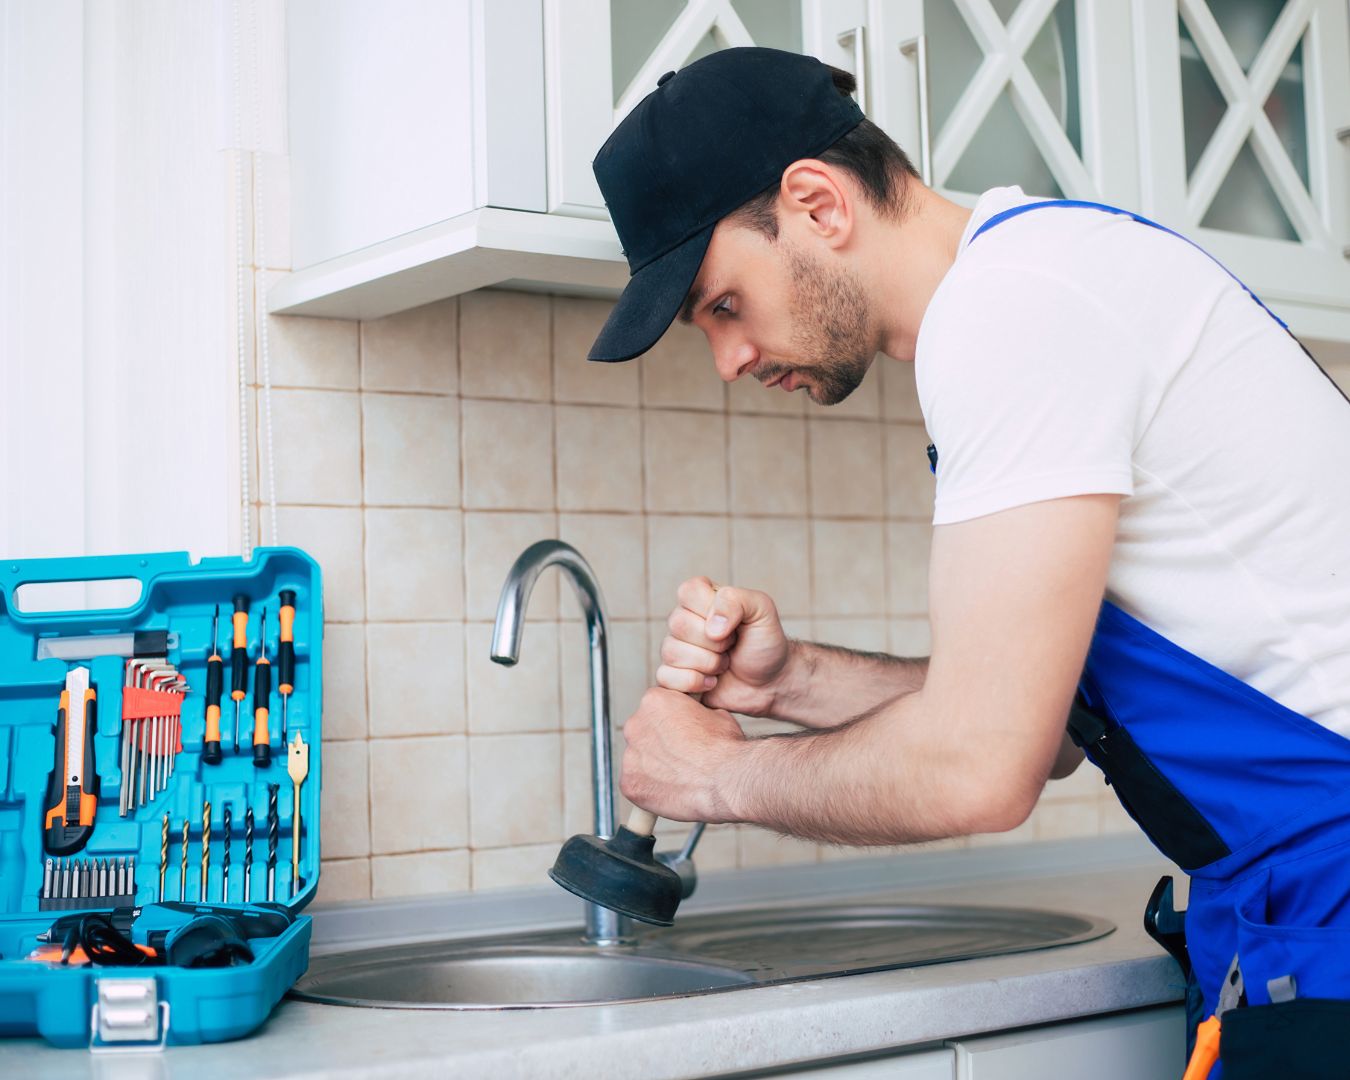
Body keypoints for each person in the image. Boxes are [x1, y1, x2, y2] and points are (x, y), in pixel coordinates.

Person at [585, 46, 1350, 1078]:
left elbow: (981, 769)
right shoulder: (1041, 275)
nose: (729, 358)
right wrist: (792, 680)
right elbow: (1055, 733)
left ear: (817, 205)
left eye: (722, 304)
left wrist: (711, 775)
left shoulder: (1009, 314)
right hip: (1301, 900)